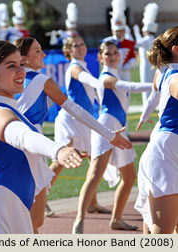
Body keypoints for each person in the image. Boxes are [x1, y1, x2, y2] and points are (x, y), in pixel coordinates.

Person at [0, 40, 84, 234]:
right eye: (11, 66)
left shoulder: (9, 109)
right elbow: (23, 137)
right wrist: (58, 149)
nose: (21, 71)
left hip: (10, 210)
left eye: (21, 64)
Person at [72, 40, 152, 234]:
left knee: (129, 176)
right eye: (108, 53)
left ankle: (116, 218)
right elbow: (129, 87)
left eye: (115, 52)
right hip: (105, 128)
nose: (113, 56)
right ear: (100, 58)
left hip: (119, 128)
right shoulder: (106, 78)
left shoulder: (113, 74)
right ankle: (79, 220)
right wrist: (157, 84)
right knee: (95, 174)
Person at [53, 35, 123, 215]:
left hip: (82, 120)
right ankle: (41, 197)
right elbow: (86, 80)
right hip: (70, 120)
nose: (80, 47)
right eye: (75, 46)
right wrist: (101, 83)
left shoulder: (83, 65)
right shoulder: (75, 67)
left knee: (93, 160)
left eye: (82, 44)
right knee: (60, 161)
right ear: (68, 51)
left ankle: (92, 202)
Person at [135, 27, 178, 234]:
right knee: (162, 232)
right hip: (166, 151)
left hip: (167, 147)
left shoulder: (164, 72)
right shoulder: (174, 76)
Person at [133, 2, 159, 104]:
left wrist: (135, 31)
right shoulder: (153, 38)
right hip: (152, 63)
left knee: (145, 82)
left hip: (145, 63)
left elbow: (137, 43)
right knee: (151, 82)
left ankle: (147, 103)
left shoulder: (147, 39)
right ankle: (151, 101)